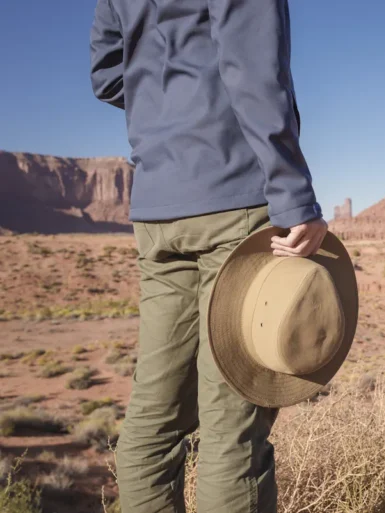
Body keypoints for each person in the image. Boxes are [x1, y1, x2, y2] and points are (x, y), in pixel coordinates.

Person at [90, 0, 326, 511]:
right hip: (235, 203)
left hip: (157, 211)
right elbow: (254, 68)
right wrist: (293, 195)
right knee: (233, 425)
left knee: (155, 414)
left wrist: (171, 112)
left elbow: (107, 74)